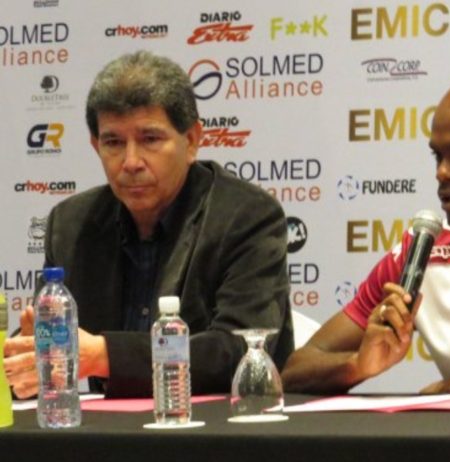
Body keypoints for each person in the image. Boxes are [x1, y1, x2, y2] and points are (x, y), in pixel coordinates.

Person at [4, 50, 293, 398]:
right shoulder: (72, 225)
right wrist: (27, 362)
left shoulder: (247, 216)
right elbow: (43, 347)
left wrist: (105, 357)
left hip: (218, 424)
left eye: (150, 139)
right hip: (106, 428)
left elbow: (240, 351)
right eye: (113, 142)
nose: (131, 162)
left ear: (191, 141)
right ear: (96, 146)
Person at [282, 72, 450, 394]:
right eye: (438, 156)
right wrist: (358, 364)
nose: (442, 172)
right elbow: (296, 369)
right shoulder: (424, 254)